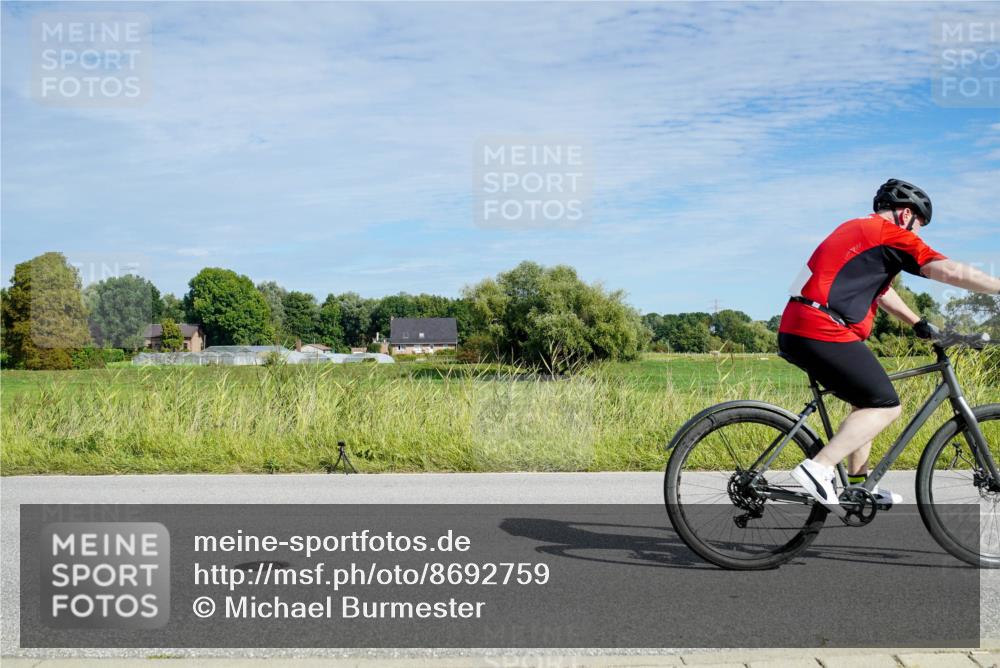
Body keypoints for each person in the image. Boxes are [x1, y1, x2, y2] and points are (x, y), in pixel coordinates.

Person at [779, 179, 1000, 517]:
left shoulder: (858, 229)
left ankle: (858, 486)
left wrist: (917, 323)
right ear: (906, 214)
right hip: (822, 327)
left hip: (803, 323)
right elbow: (944, 269)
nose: (917, 234)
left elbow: (881, 292)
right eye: (919, 226)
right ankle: (818, 467)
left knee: (866, 401)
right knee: (886, 405)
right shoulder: (889, 232)